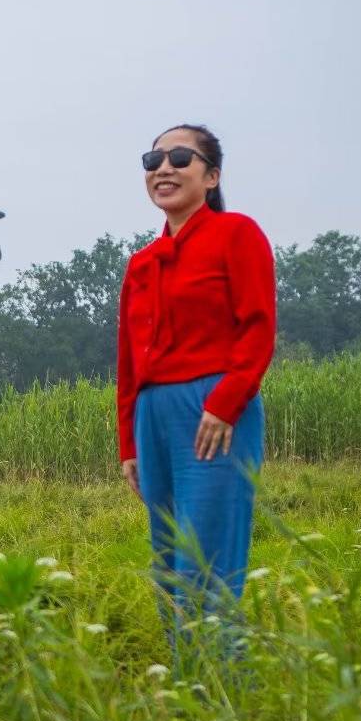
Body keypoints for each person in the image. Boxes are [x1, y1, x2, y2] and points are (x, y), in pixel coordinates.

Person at [116, 124, 275, 653]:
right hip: (152, 414)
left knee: (206, 559)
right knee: (168, 562)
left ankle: (227, 694)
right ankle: (188, 691)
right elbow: (129, 362)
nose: (164, 168)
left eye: (180, 158)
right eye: (153, 159)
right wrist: (129, 445)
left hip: (213, 410)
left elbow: (257, 329)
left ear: (211, 176)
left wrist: (226, 403)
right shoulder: (141, 263)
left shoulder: (237, 234)